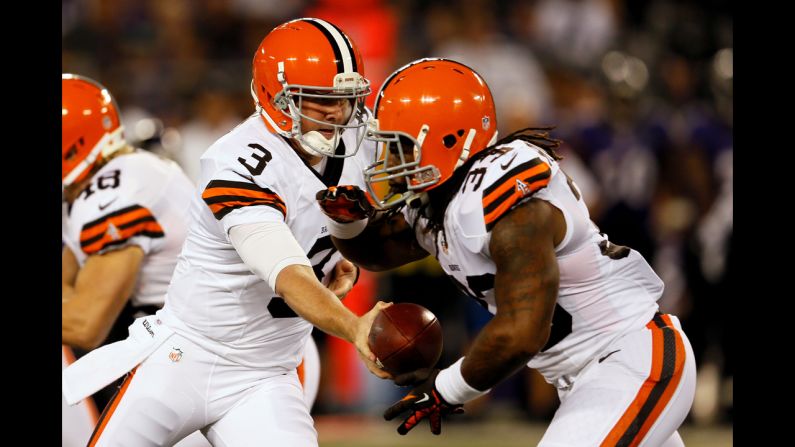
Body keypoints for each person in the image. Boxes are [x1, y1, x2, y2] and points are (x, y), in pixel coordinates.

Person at [316, 58, 697, 446]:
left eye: (399, 147)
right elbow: (379, 249)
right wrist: (345, 221)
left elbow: (523, 332)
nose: (389, 162)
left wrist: (445, 390)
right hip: (590, 376)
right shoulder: (445, 201)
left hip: (629, 359)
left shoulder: (510, 203)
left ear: (448, 139)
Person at [62, 18, 390, 447]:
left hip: (269, 372)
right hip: (186, 356)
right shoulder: (236, 160)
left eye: (345, 99)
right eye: (318, 99)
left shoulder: (358, 145)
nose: (338, 113)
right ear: (277, 97)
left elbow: (335, 239)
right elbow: (287, 274)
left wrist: (346, 256)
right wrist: (355, 327)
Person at [61, 74, 324, 447]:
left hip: (245, 358)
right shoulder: (101, 185)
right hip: (197, 351)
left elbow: (86, 322)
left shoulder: (118, 186)